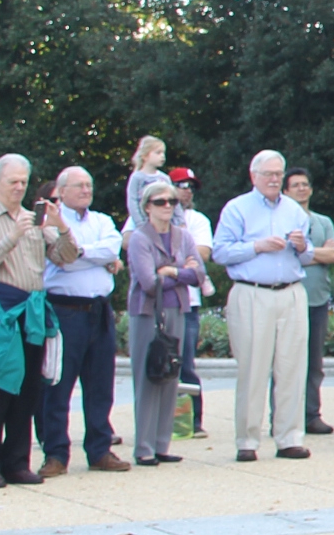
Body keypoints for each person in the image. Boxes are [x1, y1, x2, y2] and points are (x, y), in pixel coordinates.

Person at [0, 155, 73, 488]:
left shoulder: (33, 219)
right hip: (0, 311)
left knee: (27, 390)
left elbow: (66, 257)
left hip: (33, 311)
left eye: (23, 182)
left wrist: (61, 226)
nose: (18, 187)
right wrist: (12, 236)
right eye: (12, 181)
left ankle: (16, 462)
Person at [211, 151, 318, 462]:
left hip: (291, 291)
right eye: (268, 174)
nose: (274, 179)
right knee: (253, 368)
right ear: (253, 176)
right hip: (252, 292)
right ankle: (247, 440)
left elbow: (308, 255)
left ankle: (289, 437)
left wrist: (302, 247)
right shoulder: (237, 208)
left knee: (292, 367)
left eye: (278, 174)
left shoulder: (295, 211)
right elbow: (220, 251)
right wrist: (256, 246)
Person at [35, 166, 128, 475]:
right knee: (58, 385)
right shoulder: (51, 222)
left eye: (89, 184)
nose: (86, 190)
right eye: (78, 185)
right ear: (61, 191)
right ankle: (56, 454)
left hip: (99, 311)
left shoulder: (103, 221)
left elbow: (110, 249)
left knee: (100, 384)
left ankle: (100, 450)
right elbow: (62, 259)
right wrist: (96, 259)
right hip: (65, 311)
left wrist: (81, 252)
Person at [125, 179, 203, 467]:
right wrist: (182, 272)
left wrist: (171, 271)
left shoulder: (182, 236)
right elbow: (147, 282)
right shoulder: (140, 238)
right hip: (147, 313)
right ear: (147, 207)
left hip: (177, 310)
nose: (167, 206)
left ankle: (162, 443)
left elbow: (200, 274)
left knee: (170, 374)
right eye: (160, 202)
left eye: (172, 201)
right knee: (147, 377)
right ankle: (143, 447)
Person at [283, 168, 334, 437]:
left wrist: (306, 252)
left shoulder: (322, 221)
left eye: (305, 184)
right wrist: (319, 252)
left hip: (316, 298)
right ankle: (283, 415)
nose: (301, 189)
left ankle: (311, 413)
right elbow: (288, 256)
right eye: (295, 185)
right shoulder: (281, 221)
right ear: (286, 191)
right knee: (285, 360)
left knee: (314, 360)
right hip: (287, 297)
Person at [169, 167, 213, 439]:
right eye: (180, 184)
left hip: (188, 301)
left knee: (185, 362)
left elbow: (203, 255)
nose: (186, 190)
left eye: (190, 186)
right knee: (158, 361)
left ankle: (192, 421)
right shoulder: (147, 214)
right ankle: (162, 421)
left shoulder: (197, 220)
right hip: (158, 301)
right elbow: (130, 242)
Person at [124, 136, 168, 232]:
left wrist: (179, 221)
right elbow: (132, 202)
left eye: (163, 153)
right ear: (144, 156)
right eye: (158, 153)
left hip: (162, 223)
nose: (162, 156)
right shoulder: (137, 178)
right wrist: (140, 224)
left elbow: (173, 201)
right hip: (140, 225)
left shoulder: (165, 179)